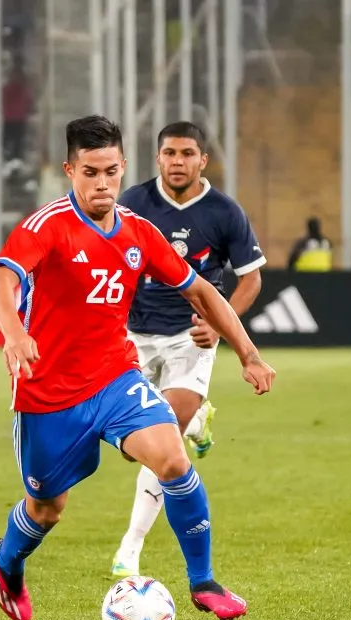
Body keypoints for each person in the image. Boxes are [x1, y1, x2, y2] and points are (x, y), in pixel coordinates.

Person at [0, 115, 276, 620]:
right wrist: (15, 333)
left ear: (123, 169)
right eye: (90, 172)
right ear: (69, 169)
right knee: (47, 508)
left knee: (173, 460)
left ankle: (203, 581)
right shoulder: (45, 226)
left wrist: (247, 353)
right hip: (46, 389)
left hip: (115, 377)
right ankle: (6, 561)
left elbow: (202, 290)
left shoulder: (139, 232)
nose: (102, 184)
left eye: (111, 172)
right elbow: (0, 283)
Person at [109, 121, 266, 578]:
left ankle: (130, 546)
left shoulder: (223, 212)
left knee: (163, 437)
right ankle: (199, 421)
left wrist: (217, 328)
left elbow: (250, 278)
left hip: (190, 338)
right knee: (129, 446)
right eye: (170, 153)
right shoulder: (133, 203)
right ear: (157, 158)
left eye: (187, 153)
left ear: (203, 161)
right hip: (134, 336)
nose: (178, 162)